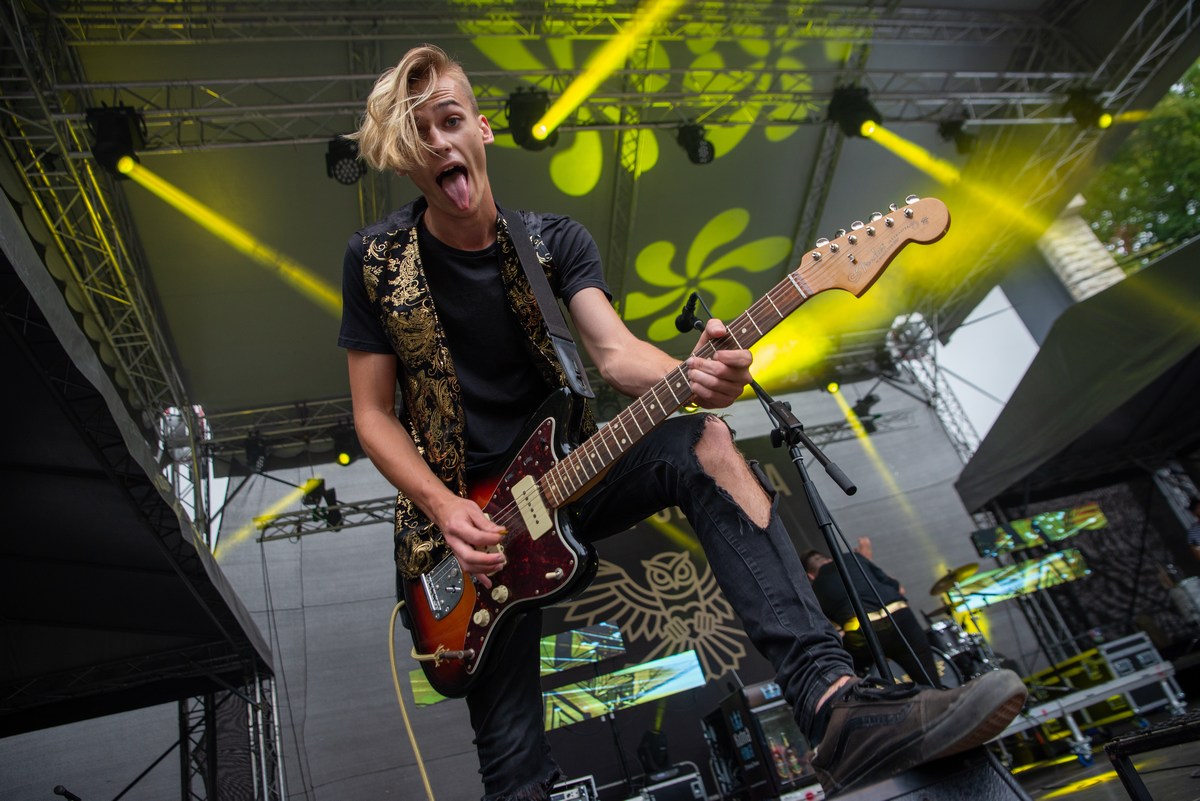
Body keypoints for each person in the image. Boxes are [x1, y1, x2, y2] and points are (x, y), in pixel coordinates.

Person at [338, 44, 1026, 801]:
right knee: (513, 774)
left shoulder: (551, 242)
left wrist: (692, 376)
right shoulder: (375, 262)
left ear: (483, 129)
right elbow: (372, 416)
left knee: (704, 440)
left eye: (450, 121)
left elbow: (613, 354)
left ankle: (834, 708)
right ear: (404, 160)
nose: (440, 143)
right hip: (465, 537)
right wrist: (445, 507)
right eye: (418, 136)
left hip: (565, 474)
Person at [801, 539, 942, 687]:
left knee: (848, 666)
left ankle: (874, 693)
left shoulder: (814, 590)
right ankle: (936, 692)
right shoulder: (854, 558)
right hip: (899, 616)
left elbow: (834, 629)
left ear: (810, 576)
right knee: (929, 679)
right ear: (829, 559)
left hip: (864, 632)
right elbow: (900, 589)